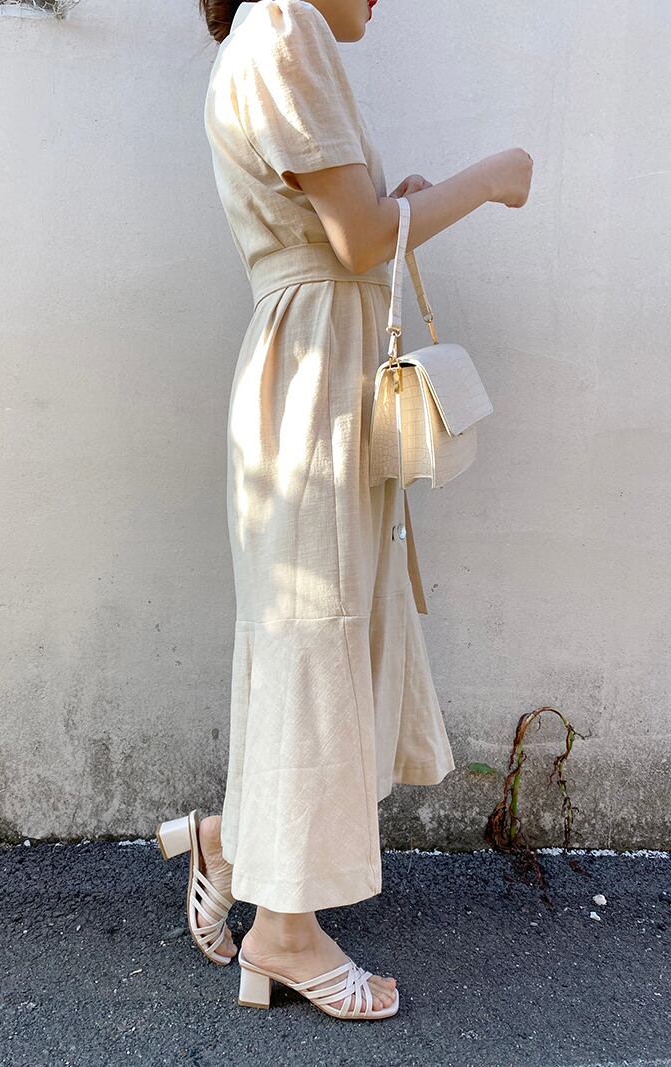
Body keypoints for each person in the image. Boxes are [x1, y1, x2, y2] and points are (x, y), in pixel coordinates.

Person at [157, 0, 532, 1021]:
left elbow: (346, 227)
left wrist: (399, 204)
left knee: (315, 632)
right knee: (316, 634)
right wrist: (489, 177)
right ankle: (283, 934)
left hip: (315, 368)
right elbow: (358, 240)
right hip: (314, 375)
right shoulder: (286, 25)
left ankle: (237, 840)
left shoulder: (269, 33)